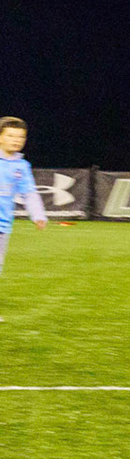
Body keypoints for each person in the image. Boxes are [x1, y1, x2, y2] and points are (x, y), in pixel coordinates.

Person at [0, 117, 49, 323]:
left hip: (3, 225)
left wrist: (37, 214)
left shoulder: (21, 166)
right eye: (10, 135)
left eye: (20, 136)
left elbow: (29, 193)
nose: (16, 140)